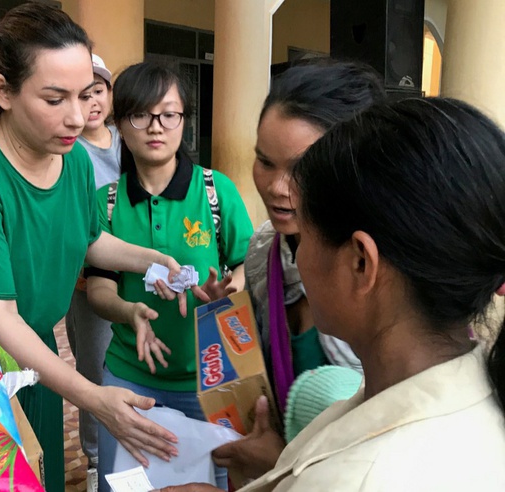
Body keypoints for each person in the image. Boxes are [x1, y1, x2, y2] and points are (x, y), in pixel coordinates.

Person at [0, 5, 197, 491]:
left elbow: (90, 240)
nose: (78, 117)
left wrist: (153, 261)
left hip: (32, 356)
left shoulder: (73, 161)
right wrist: (94, 397)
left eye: (85, 96)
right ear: (2, 91)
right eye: (55, 98)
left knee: (41, 478)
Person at [159, 97, 505, 491]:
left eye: (306, 235)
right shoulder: (473, 395)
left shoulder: (359, 477)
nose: (298, 254)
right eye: (265, 161)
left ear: (361, 263)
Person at [213, 61, 386, 481]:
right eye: (264, 161)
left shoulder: (390, 277)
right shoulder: (262, 252)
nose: (277, 187)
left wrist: (281, 467)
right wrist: (228, 320)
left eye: (302, 168)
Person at [85, 61, 253, 490]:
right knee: (123, 484)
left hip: (210, 379)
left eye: (169, 114)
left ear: (184, 121)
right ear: (120, 123)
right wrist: (129, 311)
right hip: (128, 378)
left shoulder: (216, 192)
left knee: (213, 483)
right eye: (141, 115)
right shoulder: (105, 203)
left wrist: (226, 292)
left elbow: (247, 266)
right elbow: (100, 290)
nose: (155, 127)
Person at [64, 52, 120, 488]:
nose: (91, 103)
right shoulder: (68, 148)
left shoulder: (128, 140)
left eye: (97, 91)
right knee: (93, 367)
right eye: (81, 96)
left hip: (134, 273)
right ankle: (97, 455)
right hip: (87, 279)